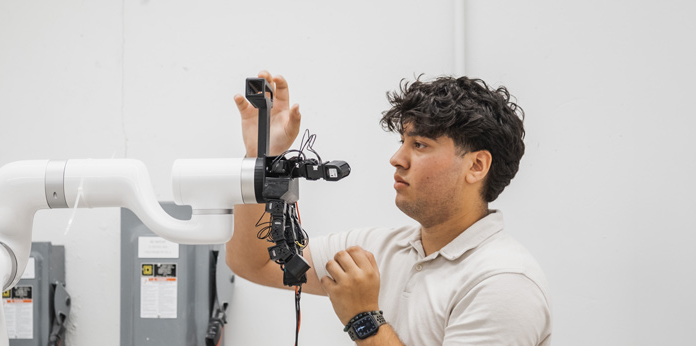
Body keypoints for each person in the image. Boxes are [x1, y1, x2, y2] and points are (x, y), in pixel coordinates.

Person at [226, 71, 551, 345]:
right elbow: (253, 263)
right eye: (402, 142)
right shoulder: (377, 249)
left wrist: (363, 318)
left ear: (477, 166)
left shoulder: (503, 282)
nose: (397, 159)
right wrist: (259, 160)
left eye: (420, 145)